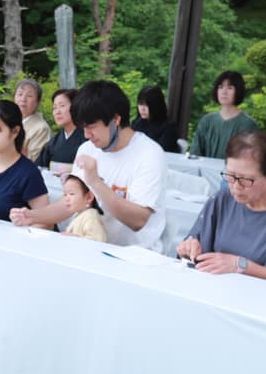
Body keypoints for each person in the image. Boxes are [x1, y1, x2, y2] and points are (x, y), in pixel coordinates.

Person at [10, 79, 168, 249]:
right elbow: (71, 202)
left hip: (134, 254)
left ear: (115, 120)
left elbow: (138, 220)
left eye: (91, 126)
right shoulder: (88, 149)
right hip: (90, 246)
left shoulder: (149, 154)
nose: (86, 135)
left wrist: (95, 182)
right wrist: (32, 216)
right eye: (82, 127)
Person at [176, 131, 266, 289]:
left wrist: (241, 265)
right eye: (230, 176)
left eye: (246, 180)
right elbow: (195, 244)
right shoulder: (222, 200)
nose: (236, 187)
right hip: (215, 290)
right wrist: (188, 248)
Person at [188, 70, 258, 159]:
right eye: (220, 87)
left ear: (238, 90)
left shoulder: (248, 124)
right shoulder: (207, 121)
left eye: (230, 88)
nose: (224, 92)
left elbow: (251, 158)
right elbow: (195, 153)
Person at [37, 88, 84, 172]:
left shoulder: (87, 137)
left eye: (62, 106)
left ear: (75, 107)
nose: (57, 112)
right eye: (54, 108)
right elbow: (39, 167)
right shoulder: (54, 141)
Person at [130, 84, 181, 154]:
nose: (142, 108)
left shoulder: (169, 128)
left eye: (146, 105)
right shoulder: (136, 123)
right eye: (140, 104)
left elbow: (160, 152)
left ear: (156, 105)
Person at [58, 175, 107, 241]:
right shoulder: (80, 215)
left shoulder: (91, 216)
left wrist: (76, 238)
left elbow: (98, 240)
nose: (66, 198)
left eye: (71, 194)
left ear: (89, 197)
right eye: (65, 194)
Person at [13, 78, 51, 160]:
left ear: (37, 102)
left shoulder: (41, 128)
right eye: (20, 94)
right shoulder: (6, 120)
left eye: (29, 96)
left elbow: (35, 160)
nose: (23, 99)